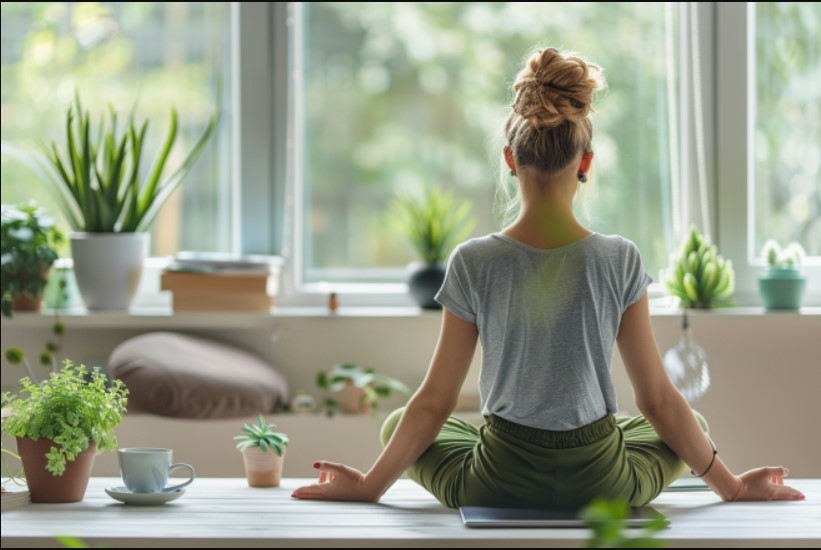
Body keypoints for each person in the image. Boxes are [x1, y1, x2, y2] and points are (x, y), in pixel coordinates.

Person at [292, 48, 804, 508]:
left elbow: (433, 403)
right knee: (695, 426)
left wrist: (367, 488)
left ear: (510, 160)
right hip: (602, 478)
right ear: (585, 163)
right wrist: (733, 486)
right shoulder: (619, 258)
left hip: (499, 477)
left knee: (395, 422)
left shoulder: (472, 261)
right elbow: (658, 402)